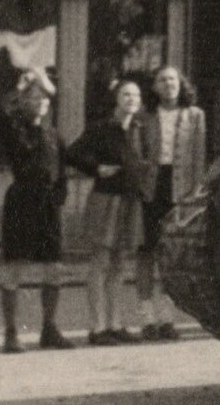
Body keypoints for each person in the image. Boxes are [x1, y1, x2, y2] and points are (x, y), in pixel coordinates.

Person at [65, 80, 155, 345]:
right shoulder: (102, 128)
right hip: (106, 199)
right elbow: (72, 154)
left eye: (136, 94)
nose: (131, 99)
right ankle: (97, 327)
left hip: (130, 200)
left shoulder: (140, 129)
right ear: (116, 99)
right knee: (101, 260)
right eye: (126, 94)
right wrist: (97, 169)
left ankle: (115, 323)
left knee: (119, 263)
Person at [0, 69, 74, 352]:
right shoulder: (14, 129)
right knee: (14, 267)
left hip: (48, 206)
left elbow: (62, 171)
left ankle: (49, 329)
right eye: (33, 97)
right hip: (21, 202)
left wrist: (59, 196)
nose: (40, 101)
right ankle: (11, 332)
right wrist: (21, 86)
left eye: (44, 97)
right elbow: (3, 111)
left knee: (54, 268)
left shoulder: (54, 135)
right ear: (23, 102)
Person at [140, 66, 205, 341]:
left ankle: (167, 318)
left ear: (181, 84)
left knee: (171, 252)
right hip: (150, 188)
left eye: (173, 79)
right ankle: (146, 318)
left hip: (180, 188)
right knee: (146, 250)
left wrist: (195, 194)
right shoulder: (145, 117)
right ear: (155, 87)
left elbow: (199, 157)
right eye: (162, 80)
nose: (168, 84)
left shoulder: (195, 115)